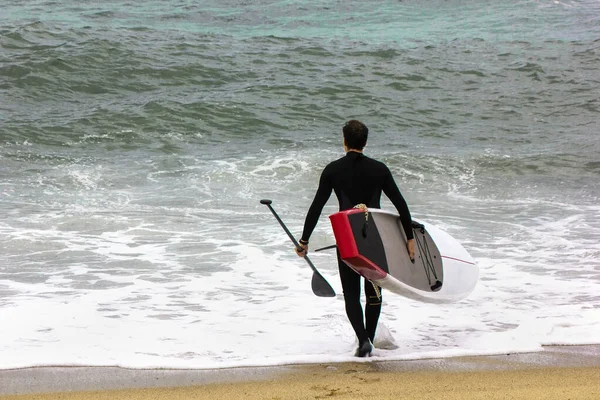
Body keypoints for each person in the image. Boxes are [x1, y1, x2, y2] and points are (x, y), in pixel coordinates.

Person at [295, 120, 415, 357]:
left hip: (347, 238)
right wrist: (410, 239)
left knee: (351, 294)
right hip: (374, 239)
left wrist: (305, 240)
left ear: (344, 141)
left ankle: (363, 341)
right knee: (374, 293)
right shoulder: (380, 169)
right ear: (366, 142)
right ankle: (368, 338)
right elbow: (400, 204)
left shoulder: (333, 170)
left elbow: (316, 206)